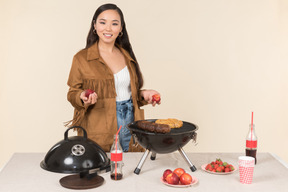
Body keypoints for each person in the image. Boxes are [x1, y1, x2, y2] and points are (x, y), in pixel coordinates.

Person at [66, 3, 160, 152]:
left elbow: (128, 91)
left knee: (131, 163)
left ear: (121, 28)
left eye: (114, 23)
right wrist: (82, 96)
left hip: (131, 121)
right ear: (94, 26)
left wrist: (144, 94)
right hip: (99, 124)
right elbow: (72, 93)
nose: (108, 28)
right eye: (102, 22)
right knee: (103, 166)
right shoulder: (81, 58)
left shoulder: (126, 55)